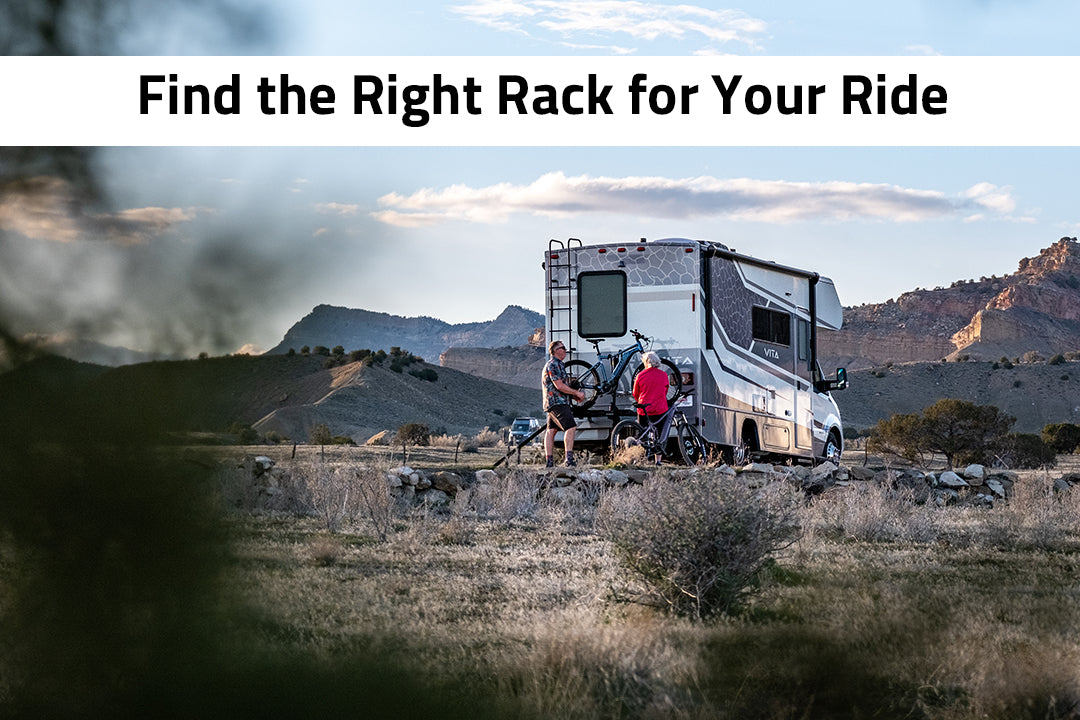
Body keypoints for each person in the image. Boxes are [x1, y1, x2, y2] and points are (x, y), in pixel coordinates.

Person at [541, 339, 586, 467]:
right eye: (562, 347)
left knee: (551, 430)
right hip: (557, 402)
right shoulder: (553, 365)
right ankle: (569, 459)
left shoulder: (558, 364)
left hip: (553, 402)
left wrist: (572, 394)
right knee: (571, 427)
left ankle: (549, 462)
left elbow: (563, 386)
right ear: (555, 351)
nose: (565, 350)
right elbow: (559, 385)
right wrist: (576, 393)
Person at [632, 351, 670, 464]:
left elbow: (635, 393)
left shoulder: (640, 375)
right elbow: (665, 391)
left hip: (644, 409)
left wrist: (641, 400)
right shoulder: (664, 375)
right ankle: (658, 461)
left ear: (646, 362)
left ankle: (641, 459)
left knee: (641, 434)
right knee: (659, 436)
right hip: (660, 409)